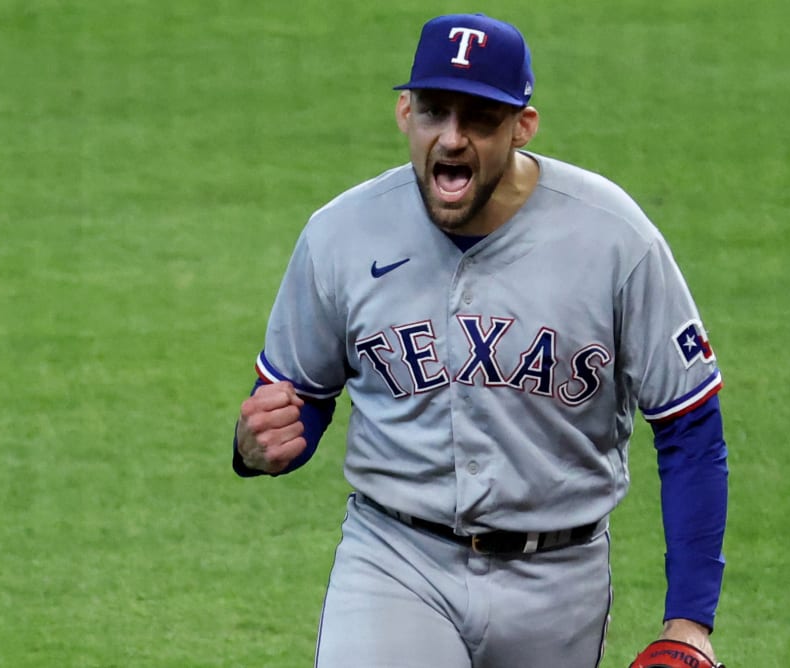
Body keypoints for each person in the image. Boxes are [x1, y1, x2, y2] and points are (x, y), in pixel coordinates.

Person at [232, 13, 729, 667]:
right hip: (395, 563)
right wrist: (257, 447)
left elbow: (689, 424)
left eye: (480, 119)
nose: (453, 138)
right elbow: (298, 398)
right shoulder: (340, 235)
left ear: (524, 125)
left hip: (559, 581)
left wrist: (688, 622)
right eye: (435, 111)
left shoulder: (615, 240)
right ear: (404, 113)